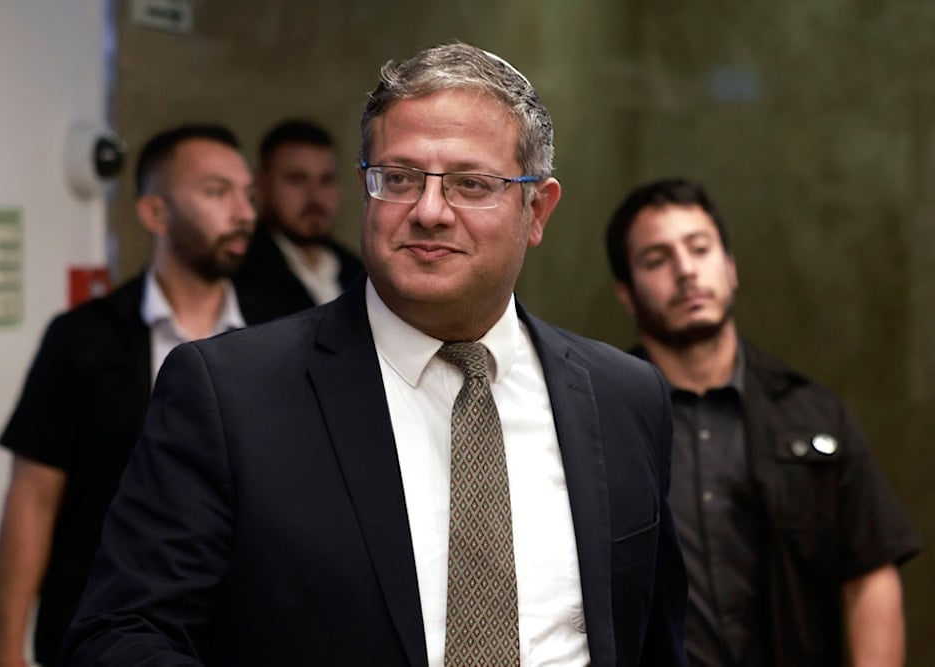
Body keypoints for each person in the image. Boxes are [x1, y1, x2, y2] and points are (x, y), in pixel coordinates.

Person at [59, 43, 688, 666]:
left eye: (471, 184)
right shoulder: (231, 395)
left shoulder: (624, 398)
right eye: (400, 179)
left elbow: (653, 639)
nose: (430, 211)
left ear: (536, 210)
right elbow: (121, 634)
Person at [604, 177, 923, 666]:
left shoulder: (812, 413)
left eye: (700, 248)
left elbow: (869, 577)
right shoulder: (603, 420)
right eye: (657, 259)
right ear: (626, 294)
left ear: (730, 268)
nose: (686, 271)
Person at [0, 124, 260, 667]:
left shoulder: (279, 335)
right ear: (155, 214)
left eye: (248, 194)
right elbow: (33, 497)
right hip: (96, 634)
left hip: (235, 639)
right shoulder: (83, 337)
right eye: (216, 192)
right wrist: (5, 651)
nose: (244, 212)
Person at [234, 119, 363, 322]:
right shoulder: (238, 271)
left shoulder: (358, 271)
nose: (315, 197)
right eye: (296, 179)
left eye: (326, 180)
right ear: (261, 187)